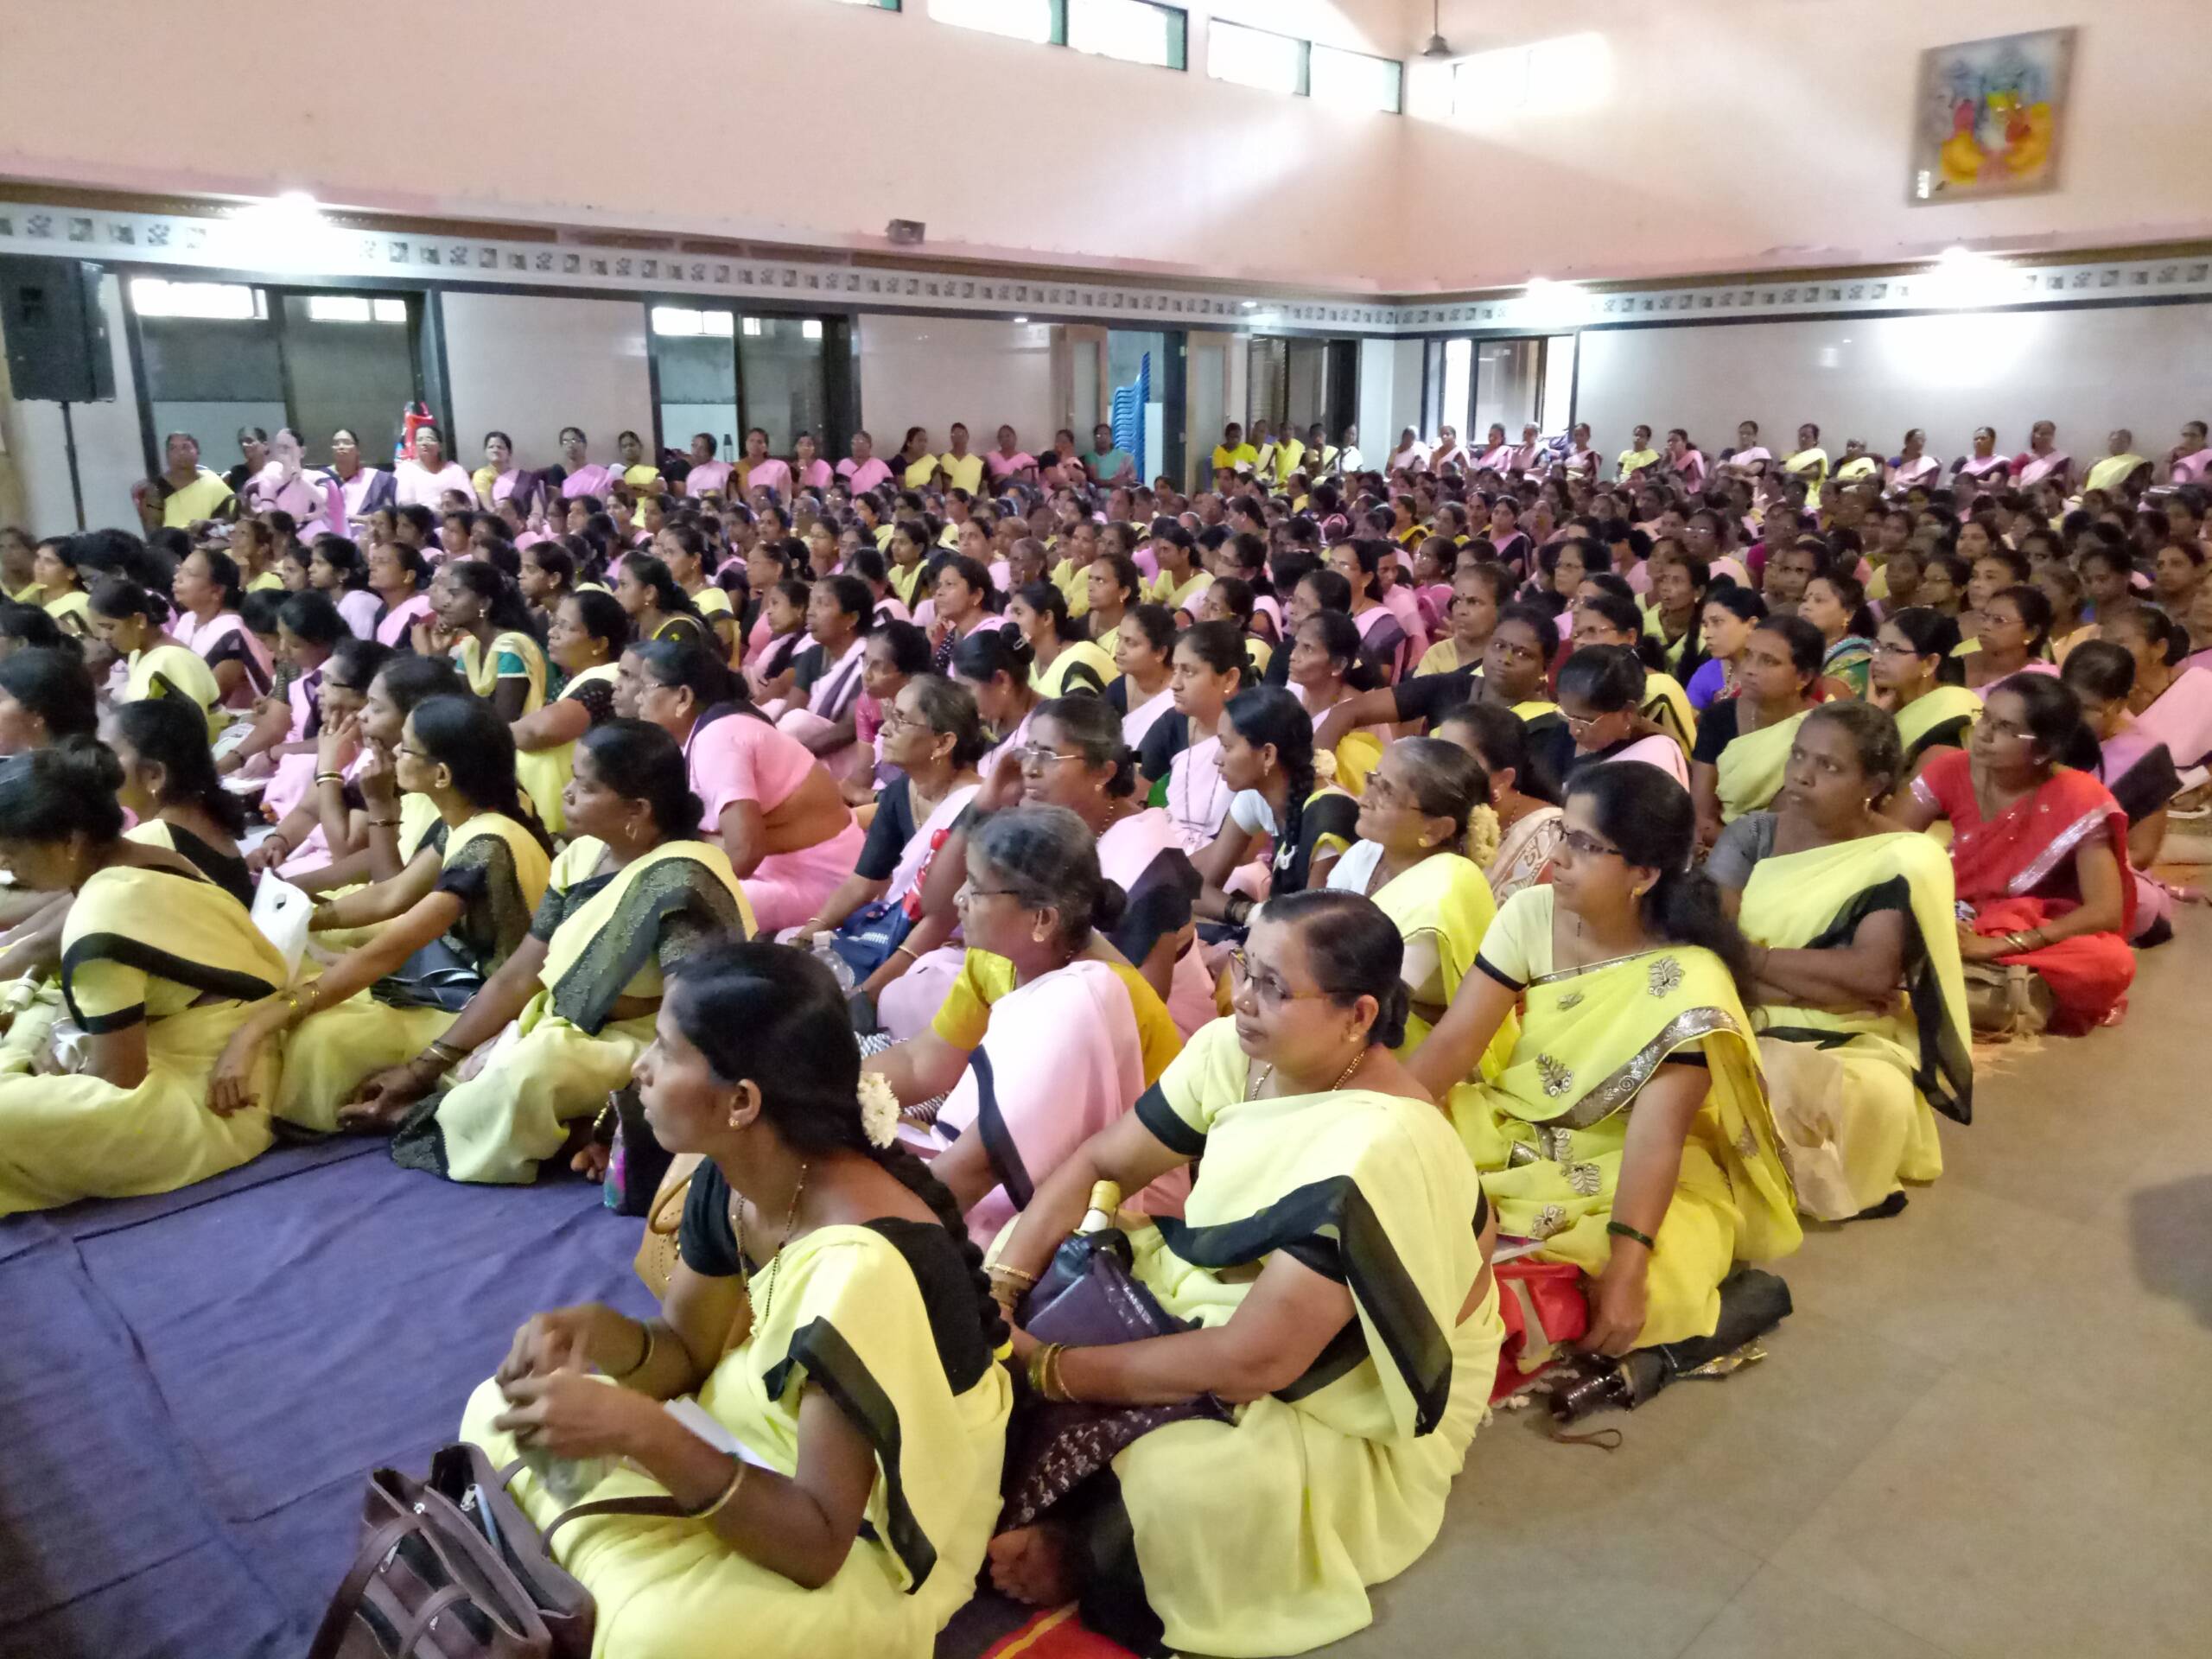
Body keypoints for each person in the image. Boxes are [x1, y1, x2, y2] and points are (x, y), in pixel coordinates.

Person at [982, 890, 1503, 1655]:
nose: (1243, 999)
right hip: (1233, 1293)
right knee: (1034, 1275)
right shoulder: (1238, 1051)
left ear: (1358, 1016)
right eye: (1243, 969)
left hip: (1346, 1381)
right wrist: (1001, 1287)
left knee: (1181, 1479)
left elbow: (1254, 1362)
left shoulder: (1379, 1144)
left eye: (1273, 987)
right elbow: (1102, 1164)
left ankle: (1089, 1547)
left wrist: (1049, 1368)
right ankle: (1073, 1503)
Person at [461, 941, 1012, 1659]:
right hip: (756, 1424)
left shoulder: (865, 1265)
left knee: (657, 1639)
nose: (641, 1068)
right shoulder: (732, 1177)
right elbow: (687, 1353)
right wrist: (597, 1334)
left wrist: (643, 1433)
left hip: (876, 1517)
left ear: (742, 1101)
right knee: (496, 1411)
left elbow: (819, 1544)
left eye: (665, 1051)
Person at [1408, 760, 1801, 1349]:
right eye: (1563, 834)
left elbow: (1656, 1138)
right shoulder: (1532, 913)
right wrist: (1374, 1123)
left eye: (1586, 845)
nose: (1560, 856)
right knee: (1398, 1169)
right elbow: (1454, 1042)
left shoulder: (1689, 981)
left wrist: (1627, 1263)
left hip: (1627, 1155)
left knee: (1643, 1275)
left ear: (1643, 874)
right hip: (1509, 1119)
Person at [333, 720, 754, 1182]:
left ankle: (590, 1129)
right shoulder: (580, 856)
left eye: (586, 787)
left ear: (637, 809)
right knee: (464, 1066)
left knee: (527, 1076)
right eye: (571, 778)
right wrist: (422, 1068)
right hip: (556, 1024)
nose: (567, 793)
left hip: (640, 1044)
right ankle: (541, 1126)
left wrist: (635, 1109)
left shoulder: (682, 880)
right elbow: (520, 973)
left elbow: (690, 1018)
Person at [216, 694, 553, 1127]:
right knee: (312, 961)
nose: (394, 752)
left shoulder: (487, 843)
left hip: (483, 1007)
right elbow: (391, 894)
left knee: (320, 1039)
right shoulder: (470, 818)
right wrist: (299, 917)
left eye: (406, 748)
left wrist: (257, 1027)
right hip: (452, 974)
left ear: (442, 774)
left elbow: (387, 951)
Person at [0, 740, 289, 1215]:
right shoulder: (149, 850)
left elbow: (119, 1079)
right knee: (27, 1004)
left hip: (212, 1102)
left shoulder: (101, 918)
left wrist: (65, 1069)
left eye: (11, 851)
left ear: (70, 842)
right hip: (243, 1054)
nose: (4, 865)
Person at [1709, 704, 1971, 1218]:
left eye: (1829, 766)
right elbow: (1714, 947)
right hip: (1738, 1011)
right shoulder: (1753, 836)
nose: (1801, 776)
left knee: (1859, 1093)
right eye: (1798, 756)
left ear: (1873, 783)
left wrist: (1751, 958)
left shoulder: (1898, 858)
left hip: (1853, 1036)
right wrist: (1802, 983)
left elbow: (1870, 974)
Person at [903, 805, 1166, 1249]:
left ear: (1042, 919)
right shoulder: (999, 957)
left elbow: (973, 1172)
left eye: (976, 888)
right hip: (1003, 1170)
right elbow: (923, 1060)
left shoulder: (1084, 1001)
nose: (958, 899)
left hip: (1104, 1216)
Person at [1897, 677, 2134, 1034]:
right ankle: (1987, 984)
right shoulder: (1950, 769)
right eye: (1985, 718)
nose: (1984, 734)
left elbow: (2105, 911)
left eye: (2005, 728)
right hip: (1944, 909)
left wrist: (1997, 945)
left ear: (2043, 750)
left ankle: (1950, 976)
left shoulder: (2079, 797)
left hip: (2019, 928)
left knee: (2110, 961)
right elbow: (1887, 846)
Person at [619, 640, 867, 932]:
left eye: (646, 687)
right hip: (777, 869)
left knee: (678, 906)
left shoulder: (719, 737)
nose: (639, 698)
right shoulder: (703, 734)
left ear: (683, 697)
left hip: (821, 883)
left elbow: (745, 852)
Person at [1014, 696, 1211, 1035]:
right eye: (1028, 752)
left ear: (1103, 772)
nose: (1030, 769)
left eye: (1047, 755)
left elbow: (1146, 1008)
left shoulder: (1149, 861)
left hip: (1157, 1038)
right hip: (1074, 999)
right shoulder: (1065, 827)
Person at [1325, 734, 1512, 1073]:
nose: (1365, 797)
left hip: (1403, 1046)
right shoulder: (1366, 853)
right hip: (1340, 1012)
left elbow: (1374, 1008)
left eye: (1386, 791)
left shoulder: (1444, 892)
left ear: (1436, 829)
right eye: (1372, 779)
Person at [1195, 686, 1359, 922]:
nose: (1217, 759)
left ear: (1267, 755)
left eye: (1227, 747)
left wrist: (1257, 919)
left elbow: (1311, 927)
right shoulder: (1256, 795)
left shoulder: (1330, 817)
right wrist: (1251, 913)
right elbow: (1199, 891)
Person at [1691, 613, 1824, 843]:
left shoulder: (1824, 730)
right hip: (1719, 845)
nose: (1750, 669)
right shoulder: (1719, 717)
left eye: (1769, 661)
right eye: (1748, 655)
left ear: (1803, 677)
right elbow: (1701, 816)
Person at [512, 589, 629, 834]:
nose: (551, 632)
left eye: (565, 627)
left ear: (599, 644)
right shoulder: (568, 679)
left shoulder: (604, 683)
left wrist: (485, 736)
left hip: (570, 820)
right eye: (554, 623)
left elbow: (538, 732)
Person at [86, 576, 221, 721]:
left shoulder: (174, 659)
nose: (104, 636)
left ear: (140, 620)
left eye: (109, 627)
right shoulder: (137, 654)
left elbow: (195, 722)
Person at [1871, 607, 1980, 785]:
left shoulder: (1950, 716)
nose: (1876, 659)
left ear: (1930, 663)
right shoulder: (1883, 702)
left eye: (1892, 649)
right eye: (1877, 646)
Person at [1556, 645, 1689, 786]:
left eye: (1587, 721)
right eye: (1566, 715)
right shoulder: (1560, 737)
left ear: (1627, 713)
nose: (1573, 731)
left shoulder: (1653, 761)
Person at [1009, 581, 1116, 699]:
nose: (1011, 621)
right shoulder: (1028, 663)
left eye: (1019, 613)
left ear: (1046, 618)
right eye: (1012, 613)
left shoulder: (1080, 659)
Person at [132, 431, 235, 532]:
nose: (180, 453)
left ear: (197, 451)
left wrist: (208, 523)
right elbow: (154, 532)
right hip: (174, 541)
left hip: (215, 538)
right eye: (173, 448)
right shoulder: (157, 488)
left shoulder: (210, 479)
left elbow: (233, 515)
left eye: (185, 447)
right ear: (167, 456)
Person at [1108, 601, 1176, 748]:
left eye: (1130, 643)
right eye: (1119, 639)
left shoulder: (1178, 699)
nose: (1119, 650)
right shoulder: (1118, 689)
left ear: (1160, 653)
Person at [1800, 571, 1878, 698]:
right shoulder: (1801, 647)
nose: (1806, 606)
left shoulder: (1856, 658)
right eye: (1804, 600)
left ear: (1849, 613)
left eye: (1819, 600)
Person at [392, 425, 475, 509]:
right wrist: (441, 506)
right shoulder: (405, 470)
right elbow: (406, 505)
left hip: (455, 516)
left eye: (429, 439)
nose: (424, 443)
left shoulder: (455, 470)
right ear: (414, 446)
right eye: (419, 439)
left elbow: (472, 501)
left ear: (440, 446)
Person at [556, 427, 619, 499]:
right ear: (561, 446)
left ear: (584, 444)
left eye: (574, 440)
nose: (570, 445)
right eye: (565, 442)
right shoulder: (558, 473)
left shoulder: (600, 474)